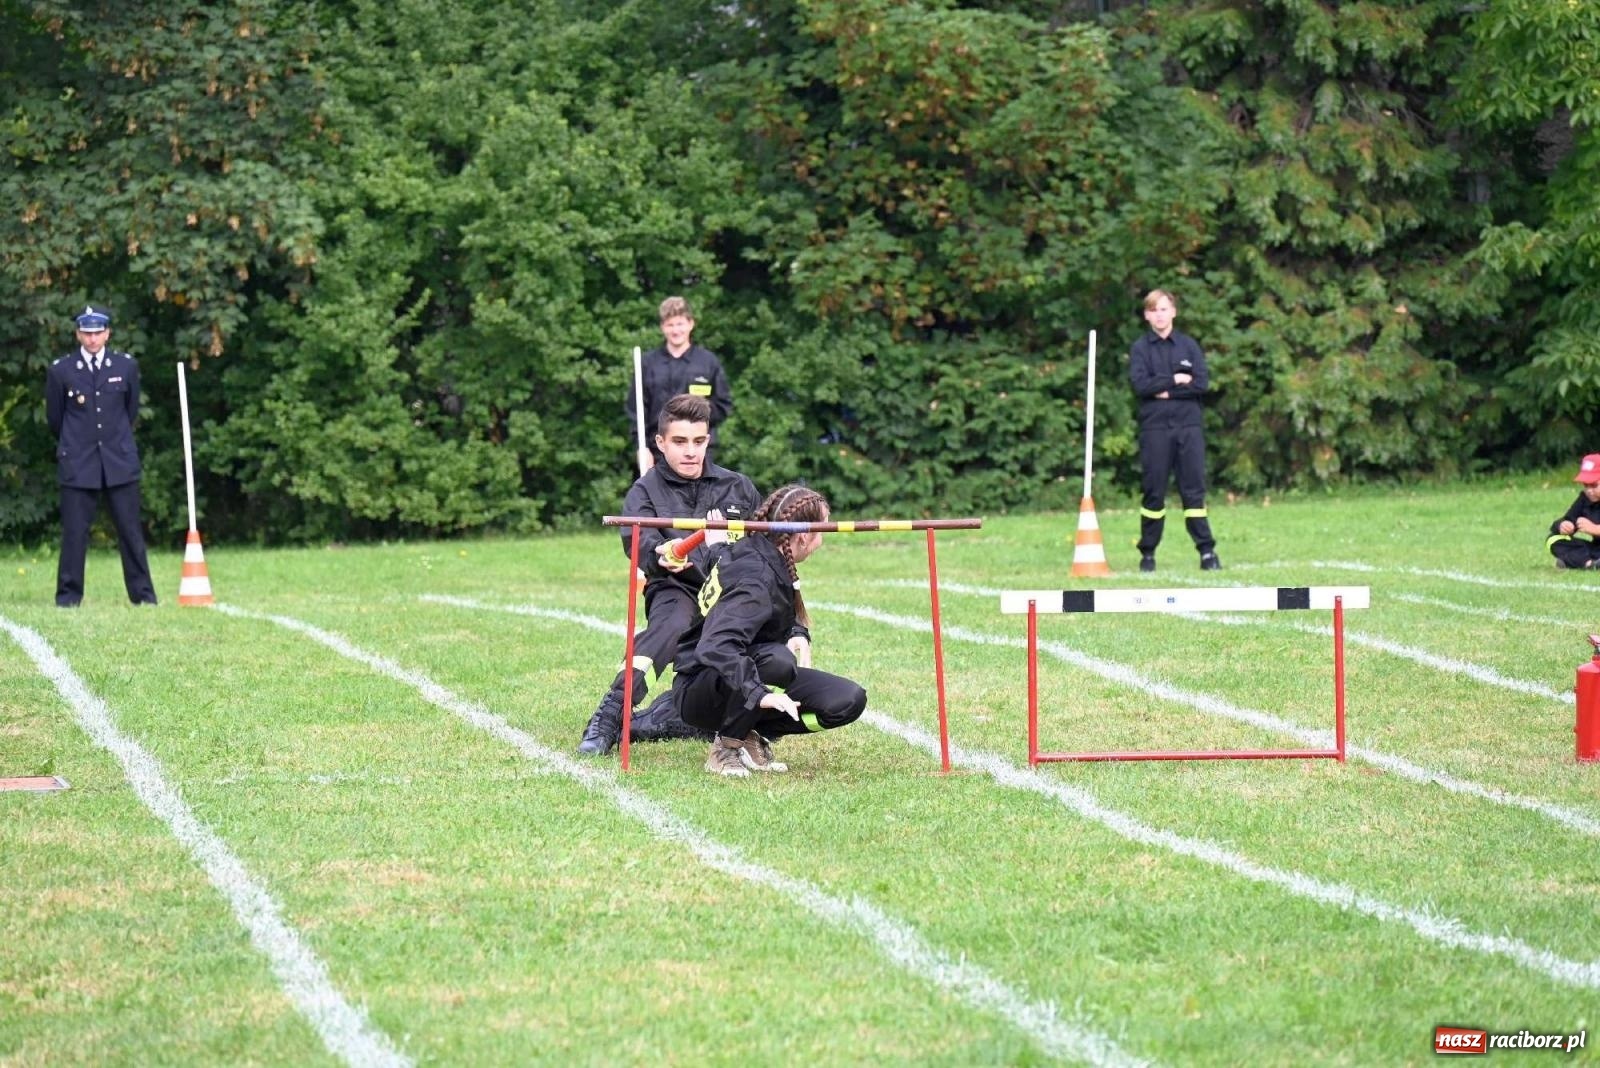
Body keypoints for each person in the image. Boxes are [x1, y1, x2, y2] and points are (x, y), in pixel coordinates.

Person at [576, 393, 761, 755]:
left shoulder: (738, 487)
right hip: (676, 587)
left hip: (730, 594)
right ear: (660, 443)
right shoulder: (645, 491)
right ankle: (612, 712)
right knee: (671, 624)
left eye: (698, 441)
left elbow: (763, 549)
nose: (690, 451)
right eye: (679, 442)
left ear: (708, 439)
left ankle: (681, 715)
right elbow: (637, 539)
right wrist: (659, 553)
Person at [668, 483, 867, 777]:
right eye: (822, 531)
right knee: (777, 661)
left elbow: (721, 559)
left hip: (740, 675)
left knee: (847, 700)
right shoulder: (756, 577)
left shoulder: (751, 550)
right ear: (802, 536)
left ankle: (748, 730)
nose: (822, 540)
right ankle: (726, 748)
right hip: (700, 687)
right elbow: (715, 645)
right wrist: (759, 694)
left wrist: (797, 631)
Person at [45, 304, 158, 607]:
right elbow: (55, 419)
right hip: (78, 462)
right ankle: (68, 598)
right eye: (87, 333)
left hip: (118, 460)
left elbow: (129, 411)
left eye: (98, 333)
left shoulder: (125, 367)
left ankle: (144, 597)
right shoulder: (61, 370)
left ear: (107, 333)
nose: (92, 339)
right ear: (78, 334)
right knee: (74, 535)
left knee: (130, 532)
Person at [1128, 288, 1220, 572]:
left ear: (1174, 312)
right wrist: (1175, 380)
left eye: (1164, 309)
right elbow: (1141, 386)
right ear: (1147, 315)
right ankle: (1148, 554)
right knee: (1154, 492)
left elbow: (1201, 384)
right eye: (1154, 310)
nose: (1160, 315)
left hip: (1188, 427)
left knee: (1193, 491)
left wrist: (1165, 390)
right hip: (1155, 428)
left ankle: (1207, 552)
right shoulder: (1140, 349)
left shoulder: (1189, 346)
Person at [625, 296, 732, 476]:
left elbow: (723, 405)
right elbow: (635, 410)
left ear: (691, 324)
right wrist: (641, 448)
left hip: (697, 455)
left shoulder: (708, 363)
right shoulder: (647, 364)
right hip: (656, 454)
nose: (676, 330)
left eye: (680, 324)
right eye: (670, 325)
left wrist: (694, 418)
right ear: (662, 327)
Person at [1548, 453, 1600, 569]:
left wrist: (1595, 529)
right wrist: (1564, 525)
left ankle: (1571, 561)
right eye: (1586, 485)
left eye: (1594, 485)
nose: (1589, 491)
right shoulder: (1584, 499)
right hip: (1595, 550)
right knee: (1554, 539)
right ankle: (1589, 564)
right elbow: (1568, 519)